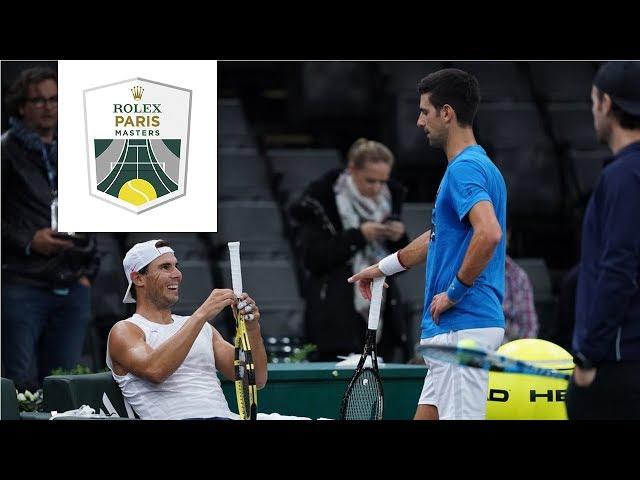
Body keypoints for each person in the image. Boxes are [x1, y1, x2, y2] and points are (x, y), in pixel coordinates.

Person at [348, 69, 507, 420]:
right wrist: (382, 267)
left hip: (462, 327)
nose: (419, 121)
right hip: (452, 330)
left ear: (447, 113)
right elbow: (438, 236)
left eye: (424, 111)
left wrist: (454, 292)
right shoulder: (475, 167)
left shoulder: (465, 169)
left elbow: (489, 233)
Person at [1, 66, 99, 392]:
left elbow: (94, 213)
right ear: (21, 106)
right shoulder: (5, 151)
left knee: (62, 384)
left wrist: (88, 271)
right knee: (22, 388)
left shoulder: (76, 151)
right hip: (21, 284)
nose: (48, 106)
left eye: (54, 99)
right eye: (39, 100)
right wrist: (30, 241)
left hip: (72, 284)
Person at [106, 239, 268, 420]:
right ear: (138, 278)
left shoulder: (202, 328)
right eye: (165, 267)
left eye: (176, 266)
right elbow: (155, 370)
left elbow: (256, 378)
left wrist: (252, 328)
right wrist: (201, 314)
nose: (177, 274)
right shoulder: (125, 330)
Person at [289, 138, 410, 362]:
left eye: (382, 182)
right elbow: (312, 258)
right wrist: (358, 236)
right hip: (335, 313)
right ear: (351, 169)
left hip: (382, 308)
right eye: (370, 181)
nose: (377, 188)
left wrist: (399, 238)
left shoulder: (390, 199)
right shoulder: (319, 201)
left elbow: (400, 266)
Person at [566, 61, 640, 420]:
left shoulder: (625, 176)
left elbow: (619, 269)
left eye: (593, 101)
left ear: (606, 104)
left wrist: (589, 355)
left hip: (618, 362)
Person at [503, 225, 538, 343]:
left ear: (508, 234)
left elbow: (530, 328)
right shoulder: (463, 274)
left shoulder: (518, 276)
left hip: (509, 355)